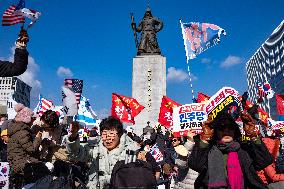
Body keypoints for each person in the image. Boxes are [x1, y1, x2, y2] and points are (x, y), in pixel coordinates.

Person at [189, 112, 273, 189]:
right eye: (221, 127)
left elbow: (265, 161)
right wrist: (205, 138)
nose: (226, 131)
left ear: (235, 131)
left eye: (230, 127)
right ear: (215, 132)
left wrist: (253, 136)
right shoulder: (209, 149)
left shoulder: (243, 149)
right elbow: (195, 165)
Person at [65, 116, 139, 189]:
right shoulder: (95, 146)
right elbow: (76, 153)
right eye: (104, 135)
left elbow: (129, 177)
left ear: (119, 135)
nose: (108, 139)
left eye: (111, 135)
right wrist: (73, 137)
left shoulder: (130, 151)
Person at [7, 103, 49, 184]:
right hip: (21, 163)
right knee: (48, 169)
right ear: (27, 119)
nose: (33, 121)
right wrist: (38, 137)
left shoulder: (17, 128)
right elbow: (32, 149)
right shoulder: (22, 132)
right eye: (32, 118)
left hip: (17, 161)